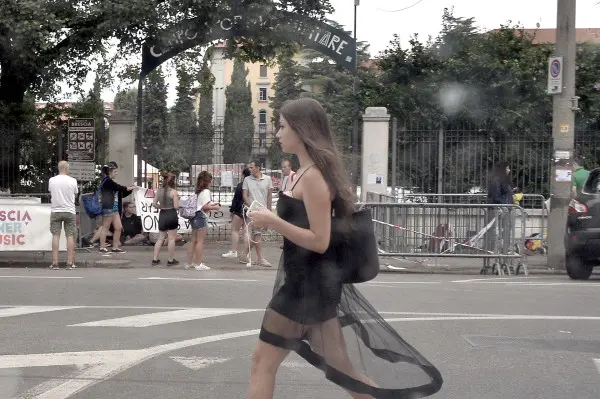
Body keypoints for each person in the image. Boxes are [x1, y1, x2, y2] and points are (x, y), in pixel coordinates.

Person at [246, 97, 442, 399]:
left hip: (306, 288)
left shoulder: (313, 178)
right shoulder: (304, 173)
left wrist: (272, 221)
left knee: (263, 363)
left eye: (282, 126)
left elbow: (319, 240)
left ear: (301, 130)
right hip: (311, 283)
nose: (277, 133)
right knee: (344, 371)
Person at [98, 161, 137, 255]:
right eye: (115, 171)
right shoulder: (107, 181)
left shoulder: (110, 181)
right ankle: (102, 247)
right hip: (108, 207)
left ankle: (115, 247)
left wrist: (130, 188)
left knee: (118, 227)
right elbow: (121, 188)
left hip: (114, 208)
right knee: (105, 227)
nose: (117, 173)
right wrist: (131, 188)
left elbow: (120, 192)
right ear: (110, 171)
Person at [186, 171, 221, 270]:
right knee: (200, 241)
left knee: (193, 241)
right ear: (208, 181)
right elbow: (205, 207)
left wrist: (211, 205)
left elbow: (200, 205)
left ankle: (189, 263)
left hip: (194, 216)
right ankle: (198, 263)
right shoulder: (206, 191)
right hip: (201, 216)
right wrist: (215, 207)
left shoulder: (198, 191)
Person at [48, 161, 78, 270]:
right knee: (70, 236)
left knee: (55, 235)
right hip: (69, 211)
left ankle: (55, 263)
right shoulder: (73, 181)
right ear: (67, 168)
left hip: (56, 211)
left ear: (59, 168)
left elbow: (51, 191)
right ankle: (69, 263)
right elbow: (75, 193)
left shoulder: (52, 180)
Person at [241, 161, 272, 267]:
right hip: (253, 210)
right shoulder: (247, 179)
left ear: (258, 168)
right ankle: (260, 258)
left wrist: (269, 210)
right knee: (257, 234)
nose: (250, 169)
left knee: (257, 234)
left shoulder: (267, 179)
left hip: (263, 210)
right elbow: (245, 195)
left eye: (252, 167)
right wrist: (252, 207)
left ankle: (245, 254)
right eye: (249, 167)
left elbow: (269, 196)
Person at [222, 168, 251, 259]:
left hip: (239, 210)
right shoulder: (253, 185)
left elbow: (236, 200)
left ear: (243, 175)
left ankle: (234, 251)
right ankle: (246, 252)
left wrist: (232, 211)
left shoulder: (241, 185)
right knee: (247, 231)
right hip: (249, 209)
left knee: (235, 230)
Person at [152, 172, 180, 266]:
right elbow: (176, 206)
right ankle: (170, 260)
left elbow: (154, 204)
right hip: (171, 214)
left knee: (160, 238)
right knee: (171, 239)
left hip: (163, 214)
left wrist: (161, 207)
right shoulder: (173, 192)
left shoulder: (158, 191)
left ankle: (155, 259)